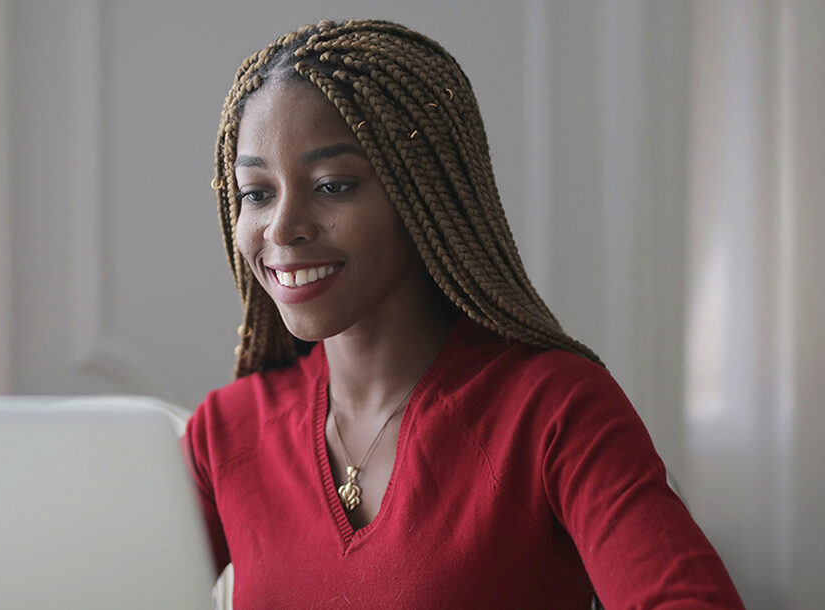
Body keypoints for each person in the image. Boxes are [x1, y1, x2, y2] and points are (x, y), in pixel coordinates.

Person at [184, 19, 743, 608]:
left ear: (422, 191)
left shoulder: (553, 409)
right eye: (257, 193)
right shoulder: (225, 433)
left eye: (332, 185)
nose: (281, 227)